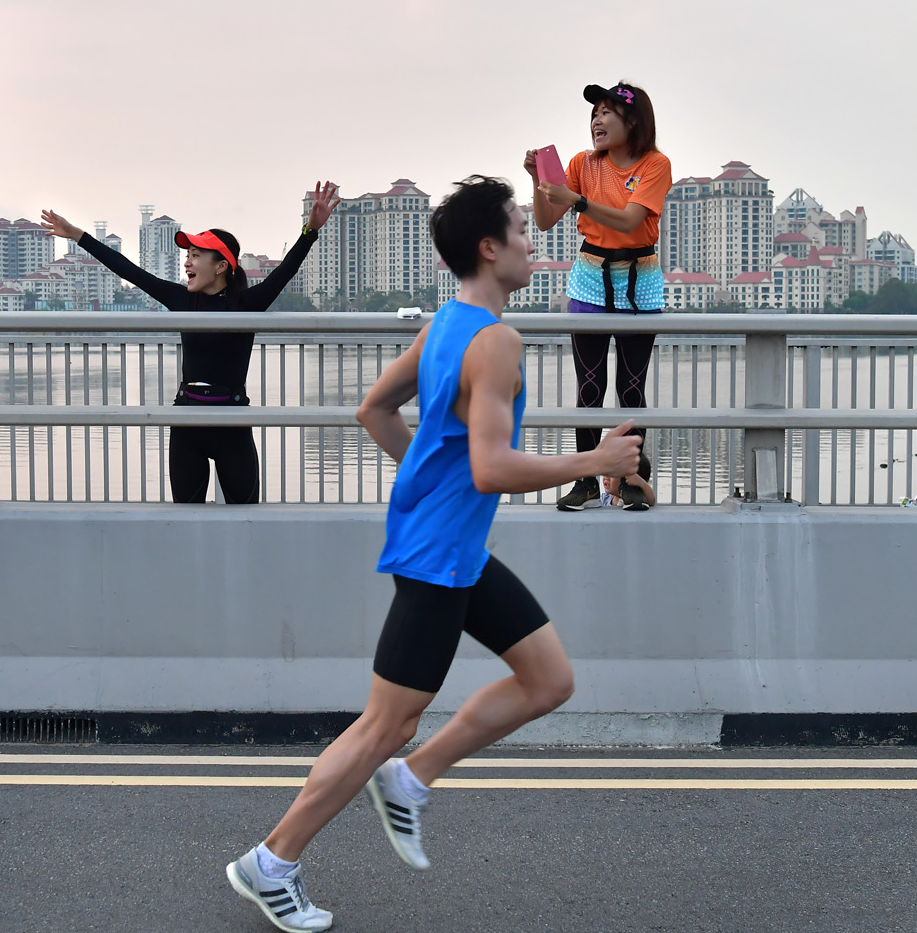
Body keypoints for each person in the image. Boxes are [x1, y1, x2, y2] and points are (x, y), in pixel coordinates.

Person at [224, 176, 641, 931]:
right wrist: (592, 464)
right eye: (520, 227)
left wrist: (426, 479)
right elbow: (490, 468)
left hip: (453, 548)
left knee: (548, 680)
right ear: (489, 248)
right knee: (383, 725)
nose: (530, 239)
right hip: (439, 558)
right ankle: (272, 861)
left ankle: (412, 782)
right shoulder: (497, 340)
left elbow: (373, 410)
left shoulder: (448, 324)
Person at [39, 182, 339, 504]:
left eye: (196, 256)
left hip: (232, 420)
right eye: (187, 255)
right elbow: (128, 269)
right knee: (185, 517)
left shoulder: (246, 304)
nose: (187, 263)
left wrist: (310, 230)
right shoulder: (181, 299)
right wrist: (77, 235)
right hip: (187, 419)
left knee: (246, 519)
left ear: (221, 266)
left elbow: (286, 270)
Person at [526, 81, 672, 512]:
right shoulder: (581, 164)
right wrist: (538, 181)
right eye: (594, 114)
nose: (597, 120)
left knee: (632, 388)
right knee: (589, 386)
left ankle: (630, 479)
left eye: (608, 112)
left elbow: (630, 221)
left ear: (634, 121)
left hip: (639, 279)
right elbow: (547, 219)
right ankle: (586, 480)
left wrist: (579, 202)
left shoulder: (655, 164)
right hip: (590, 276)